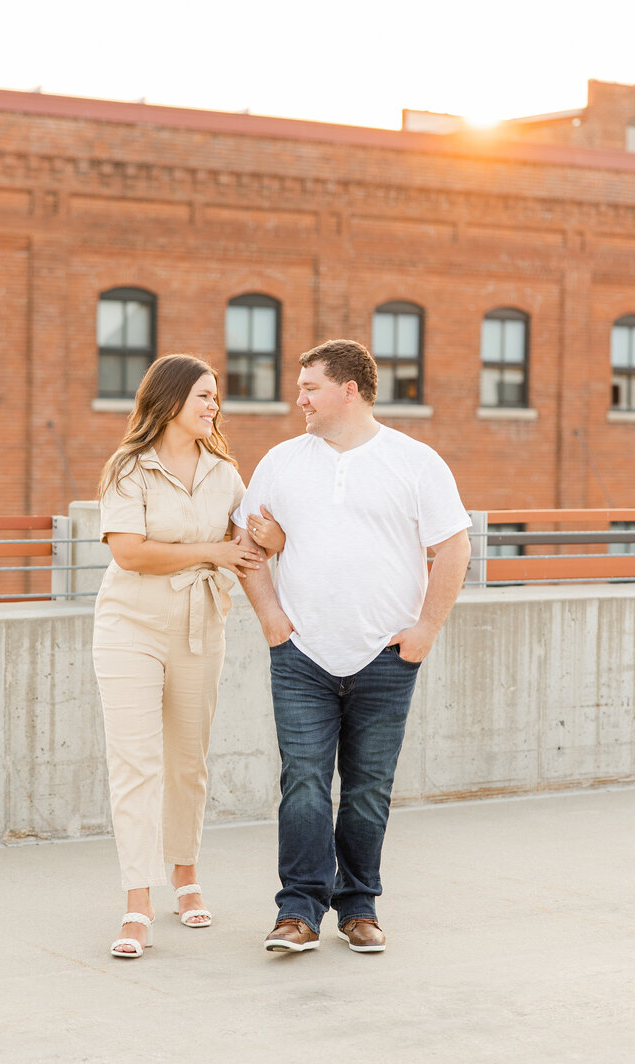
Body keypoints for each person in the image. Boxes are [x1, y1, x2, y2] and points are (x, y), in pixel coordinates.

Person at [233, 339, 472, 954]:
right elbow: (246, 544)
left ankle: (359, 906)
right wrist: (270, 617)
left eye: (310, 386)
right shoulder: (282, 460)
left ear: (350, 390)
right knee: (304, 782)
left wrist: (424, 631)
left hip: (386, 658)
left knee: (369, 788)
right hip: (302, 655)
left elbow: (454, 548)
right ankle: (299, 912)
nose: (299, 397)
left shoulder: (415, 461)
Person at [93, 354, 262, 959]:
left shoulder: (225, 473)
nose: (213, 406)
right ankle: (136, 903)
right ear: (169, 402)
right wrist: (211, 551)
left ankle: (184, 875)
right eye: (202, 397)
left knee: (188, 761)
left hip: (200, 627)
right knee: (135, 763)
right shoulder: (127, 469)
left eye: (216, 397)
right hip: (129, 626)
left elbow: (247, 544)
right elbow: (130, 554)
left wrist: (260, 538)